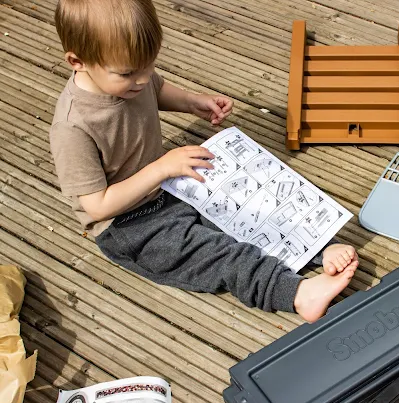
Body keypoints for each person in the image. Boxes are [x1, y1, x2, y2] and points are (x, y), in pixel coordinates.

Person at [49, 0, 358, 323]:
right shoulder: (73, 127)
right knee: (216, 253)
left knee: (248, 204)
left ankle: (317, 246)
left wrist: (192, 102)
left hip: (169, 184)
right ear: (77, 62)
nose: (142, 79)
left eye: (149, 66)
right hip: (130, 224)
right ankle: (296, 293)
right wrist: (160, 169)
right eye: (128, 74)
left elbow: (156, 89)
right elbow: (97, 205)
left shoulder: (131, 74)